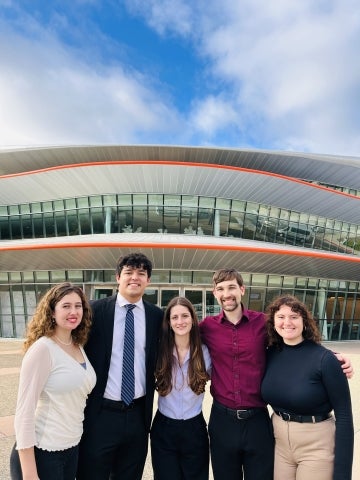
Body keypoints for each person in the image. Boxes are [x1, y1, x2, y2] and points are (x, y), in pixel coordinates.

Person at [199, 268, 354, 480]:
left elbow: (295, 342)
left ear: (242, 289)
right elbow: (179, 339)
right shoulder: (206, 327)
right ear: (215, 293)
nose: (227, 293)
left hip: (258, 422)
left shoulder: (264, 323)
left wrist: (334, 357)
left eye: (232, 287)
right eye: (221, 289)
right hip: (222, 420)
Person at [77, 252, 163, 480]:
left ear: (148, 281)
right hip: (100, 414)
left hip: (137, 416)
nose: (135, 277)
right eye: (129, 272)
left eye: (141, 273)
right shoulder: (93, 311)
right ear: (117, 277)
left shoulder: (157, 317)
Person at [261, 295, 354, 480]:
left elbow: (344, 417)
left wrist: (343, 473)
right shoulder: (270, 354)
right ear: (273, 322)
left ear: (305, 321)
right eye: (281, 317)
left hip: (316, 446)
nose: (287, 322)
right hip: (280, 445)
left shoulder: (325, 360)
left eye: (294, 316)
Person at [10, 282, 96, 480]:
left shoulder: (77, 345)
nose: (73, 311)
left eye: (78, 306)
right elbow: (24, 413)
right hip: (43, 451)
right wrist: (30, 474)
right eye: (66, 306)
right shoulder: (42, 349)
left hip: (70, 448)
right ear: (51, 312)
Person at [151, 297, 211, 480]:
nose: (180, 321)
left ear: (193, 319)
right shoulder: (159, 351)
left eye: (185, 316)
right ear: (168, 322)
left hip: (195, 427)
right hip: (164, 428)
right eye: (174, 317)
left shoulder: (205, 352)